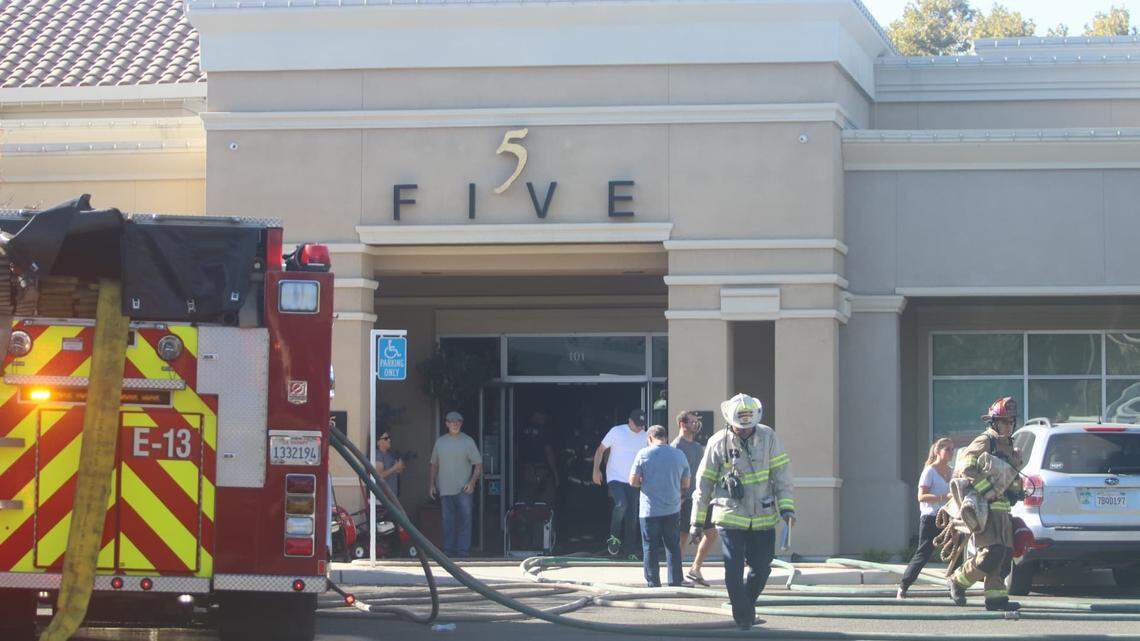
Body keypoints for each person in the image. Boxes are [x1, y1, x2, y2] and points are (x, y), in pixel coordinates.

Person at [691, 394, 795, 630]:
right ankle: (743, 615)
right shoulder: (718, 442)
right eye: (741, 427)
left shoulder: (769, 437)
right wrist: (696, 522)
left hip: (763, 517)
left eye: (749, 426)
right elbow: (704, 483)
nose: (745, 430)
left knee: (762, 568)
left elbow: (782, 475)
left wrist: (787, 508)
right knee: (733, 568)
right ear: (731, 421)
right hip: (729, 516)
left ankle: (746, 603)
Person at [948, 397, 1024, 611]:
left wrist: (1018, 491)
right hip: (986, 510)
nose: (1008, 425)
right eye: (1004, 421)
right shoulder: (985, 441)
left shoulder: (1009, 445)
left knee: (1004, 555)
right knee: (991, 553)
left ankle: (996, 598)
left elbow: (1009, 476)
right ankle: (957, 580)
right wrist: (987, 491)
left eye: (1011, 421)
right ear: (994, 422)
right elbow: (966, 466)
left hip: (1003, 511)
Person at [630, 424, 691, 587]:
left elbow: (633, 481)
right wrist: (680, 496)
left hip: (649, 510)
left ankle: (653, 582)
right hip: (672, 508)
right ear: (666, 438)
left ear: (650, 438)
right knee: (673, 546)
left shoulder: (643, 454)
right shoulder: (679, 455)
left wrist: (643, 482)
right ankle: (675, 580)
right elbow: (686, 482)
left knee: (650, 546)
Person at [897, 437, 954, 599]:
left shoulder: (952, 471)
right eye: (947, 449)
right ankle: (904, 586)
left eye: (952, 449)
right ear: (938, 451)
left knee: (955, 552)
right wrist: (943, 496)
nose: (951, 452)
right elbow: (921, 496)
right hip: (931, 518)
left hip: (948, 518)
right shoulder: (930, 471)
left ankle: (956, 586)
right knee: (924, 553)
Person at [671, 410, 718, 586]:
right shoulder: (676, 447)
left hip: (701, 499)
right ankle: (676, 575)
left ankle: (695, 569)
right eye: (691, 421)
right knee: (682, 537)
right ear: (682, 424)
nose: (695, 424)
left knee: (712, 534)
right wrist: (679, 497)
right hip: (684, 500)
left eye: (696, 421)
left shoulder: (698, 447)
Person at [593, 408, 648, 557]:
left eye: (642, 425)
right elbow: (600, 450)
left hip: (634, 480)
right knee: (621, 504)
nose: (640, 428)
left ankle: (630, 550)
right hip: (615, 477)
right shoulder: (616, 431)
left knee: (632, 515)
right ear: (629, 421)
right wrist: (596, 470)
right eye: (637, 424)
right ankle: (614, 538)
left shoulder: (645, 436)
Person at [429, 411, 483, 558]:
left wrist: (472, 483)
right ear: (446, 423)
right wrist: (432, 485)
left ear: (461, 423)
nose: (455, 423)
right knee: (448, 522)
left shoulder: (468, 441)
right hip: (445, 489)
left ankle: (462, 553)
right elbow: (434, 464)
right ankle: (448, 553)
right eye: (451, 421)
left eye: (458, 421)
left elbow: (478, 464)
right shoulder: (440, 442)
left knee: (465, 521)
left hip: (464, 490)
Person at [517, 410, 560, 504]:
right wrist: (555, 474)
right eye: (543, 416)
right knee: (546, 503)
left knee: (526, 503)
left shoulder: (522, 431)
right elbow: (549, 453)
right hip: (541, 472)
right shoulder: (544, 430)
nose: (545, 419)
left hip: (526, 471)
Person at [374, 430, 405, 497]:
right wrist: (395, 467)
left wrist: (400, 467)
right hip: (382, 499)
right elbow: (379, 476)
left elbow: (397, 471)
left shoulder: (390, 455)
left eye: (389, 438)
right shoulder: (377, 455)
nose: (389, 440)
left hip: (392, 497)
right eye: (386, 438)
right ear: (378, 442)